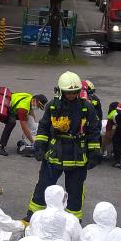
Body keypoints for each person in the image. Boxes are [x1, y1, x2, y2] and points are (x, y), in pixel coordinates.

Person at [28, 71, 101, 221]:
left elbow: (93, 131)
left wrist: (94, 152)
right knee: (44, 186)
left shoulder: (87, 108)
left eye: (75, 92)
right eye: (69, 92)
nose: (72, 95)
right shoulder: (53, 106)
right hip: (54, 155)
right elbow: (43, 128)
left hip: (77, 157)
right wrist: (40, 146)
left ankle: (74, 222)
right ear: (61, 91)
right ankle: (33, 216)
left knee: (75, 192)